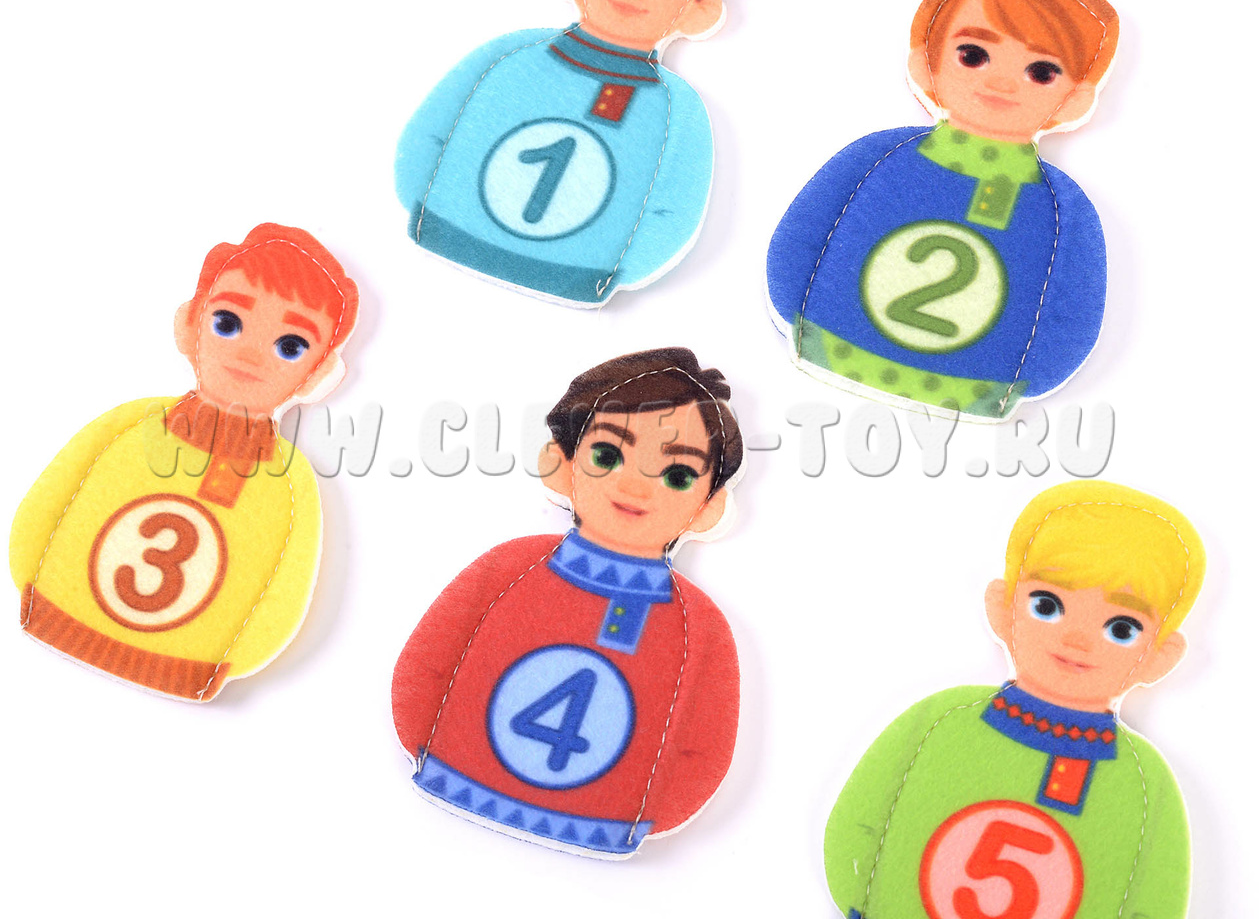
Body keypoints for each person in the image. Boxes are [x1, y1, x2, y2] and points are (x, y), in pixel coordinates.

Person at [392, 348, 743, 858]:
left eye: (677, 476)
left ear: (709, 508)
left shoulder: (697, 626)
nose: (635, 485)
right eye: (608, 456)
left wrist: (644, 811)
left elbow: (703, 742)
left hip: (600, 823)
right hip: (458, 776)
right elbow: (431, 660)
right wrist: (425, 735)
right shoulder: (513, 568)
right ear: (560, 464)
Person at [11, 224, 360, 701]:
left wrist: (233, 654)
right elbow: (53, 500)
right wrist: (31, 574)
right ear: (190, 323)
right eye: (228, 322)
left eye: (289, 346)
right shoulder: (134, 426)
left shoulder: (285, 480)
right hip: (58, 613)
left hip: (184, 665)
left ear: (318, 374)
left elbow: (285, 580)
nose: (250, 354)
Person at [823, 481, 1204, 918]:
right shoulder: (943, 722)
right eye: (1047, 605)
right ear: (1004, 608)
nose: (1076, 639)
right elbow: (862, 824)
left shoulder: (1139, 781)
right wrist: (861, 896)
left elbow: (1152, 897)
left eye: (1121, 629)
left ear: (1159, 657)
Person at [767, 0, 1117, 419]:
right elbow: (809, 232)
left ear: (1076, 99)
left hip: (968, 385)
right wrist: (797, 303)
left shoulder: (1057, 207)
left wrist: (1029, 373)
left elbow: (1071, 303)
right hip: (839, 346)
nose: (1001, 82)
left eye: (1041, 72)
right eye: (972, 55)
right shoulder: (886, 155)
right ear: (926, 60)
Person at [396, 0, 735, 306]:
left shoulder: (673, 108)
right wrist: (420, 197)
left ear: (700, 10)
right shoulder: (513, 56)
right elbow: (433, 130)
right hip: (448, 230)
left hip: (574, 273)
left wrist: (623, 268)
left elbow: (674, 206)